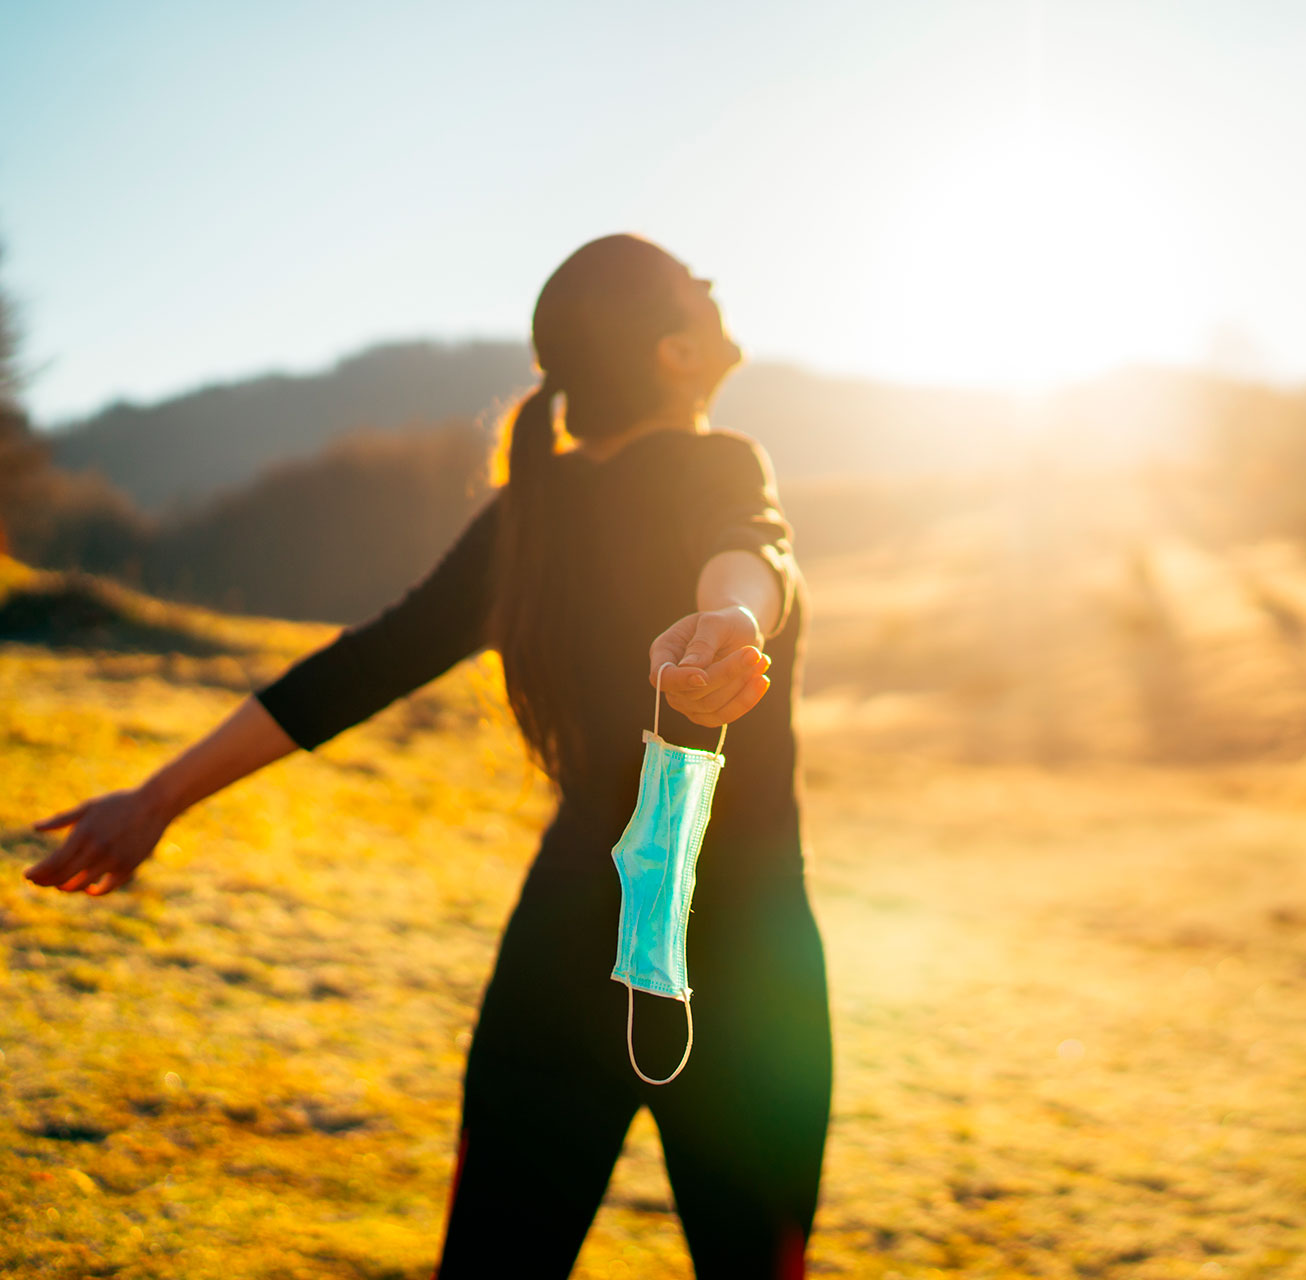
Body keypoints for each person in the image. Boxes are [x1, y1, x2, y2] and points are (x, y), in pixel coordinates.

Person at [24, 234, 834, 1279]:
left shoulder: (527, 515)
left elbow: (360, 665)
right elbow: (753, 537)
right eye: (694, 284)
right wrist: (731, 612)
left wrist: (159, 796)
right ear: (675, 352)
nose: (716, 286)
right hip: (745, 957)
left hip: (560, 949)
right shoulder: (708, 460)